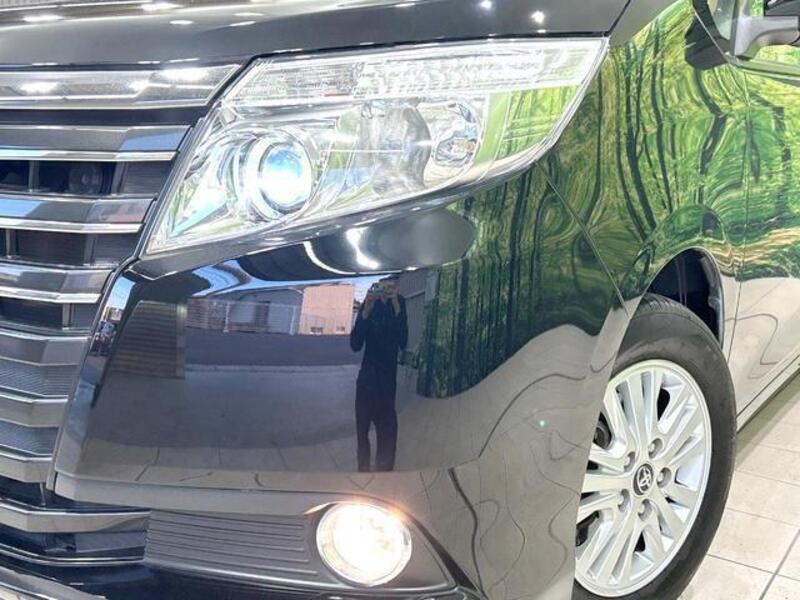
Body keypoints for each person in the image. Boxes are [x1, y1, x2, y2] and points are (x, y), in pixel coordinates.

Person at [349, 275, 408, 472]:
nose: (386, 290)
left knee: (388, 432)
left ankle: (385, 472)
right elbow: (355, 344)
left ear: (397, 287)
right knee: (362, 430)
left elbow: (403, 341)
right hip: (367, 379)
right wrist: (365, 311)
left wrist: (397, 307)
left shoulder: (400, 303)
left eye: (392, 286)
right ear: (377, 285)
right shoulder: (370, 303)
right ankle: (363, 470)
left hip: (387, 381)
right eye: (384, 285)